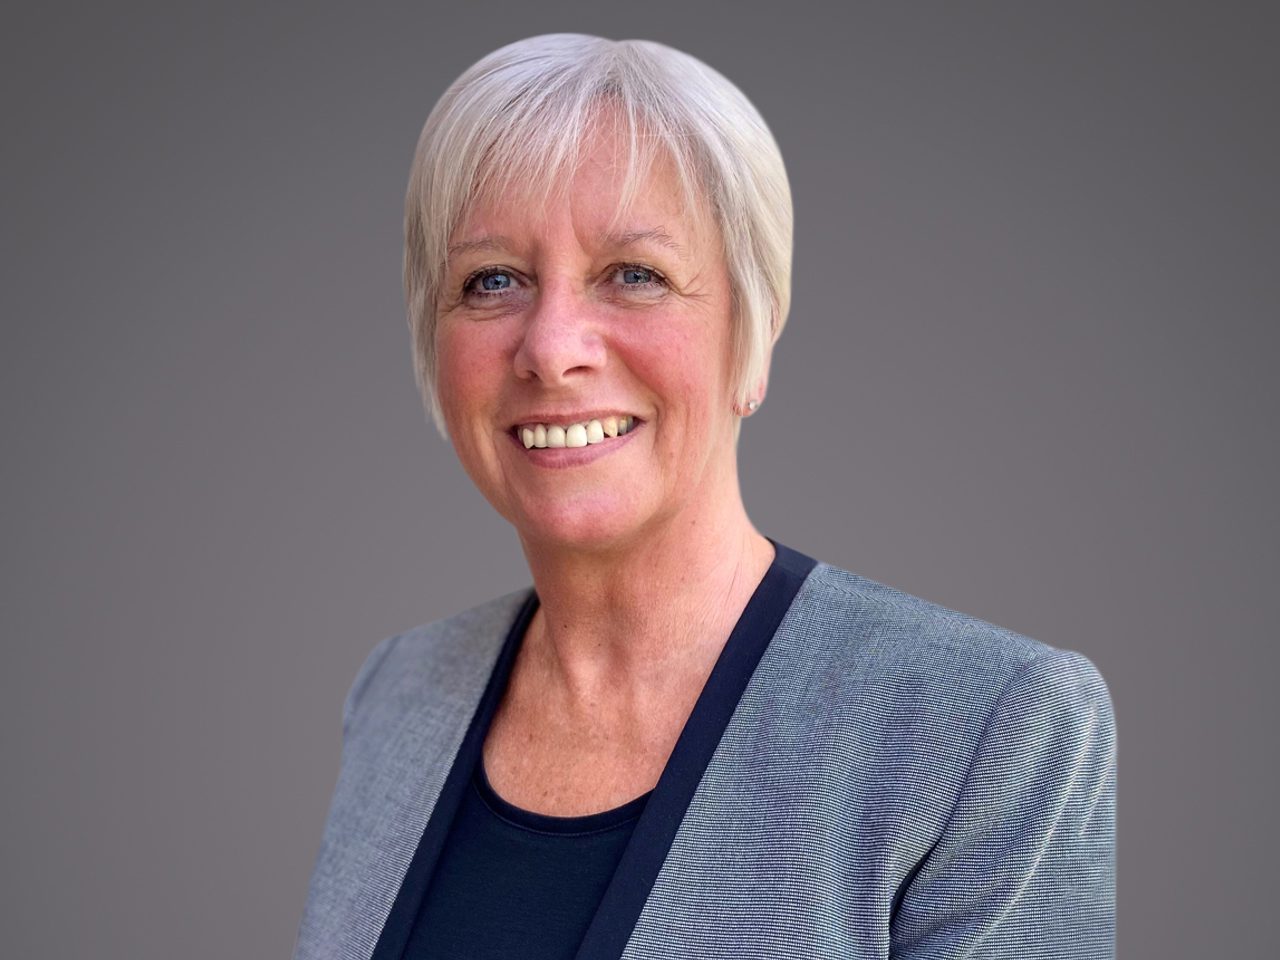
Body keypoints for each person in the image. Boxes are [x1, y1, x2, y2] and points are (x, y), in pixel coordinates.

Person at [292, 33, 1116, 960]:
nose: (551, 346)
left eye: (633, 275)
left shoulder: (984, 726)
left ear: (752, 332)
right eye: (493, 282)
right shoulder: (398, 693)